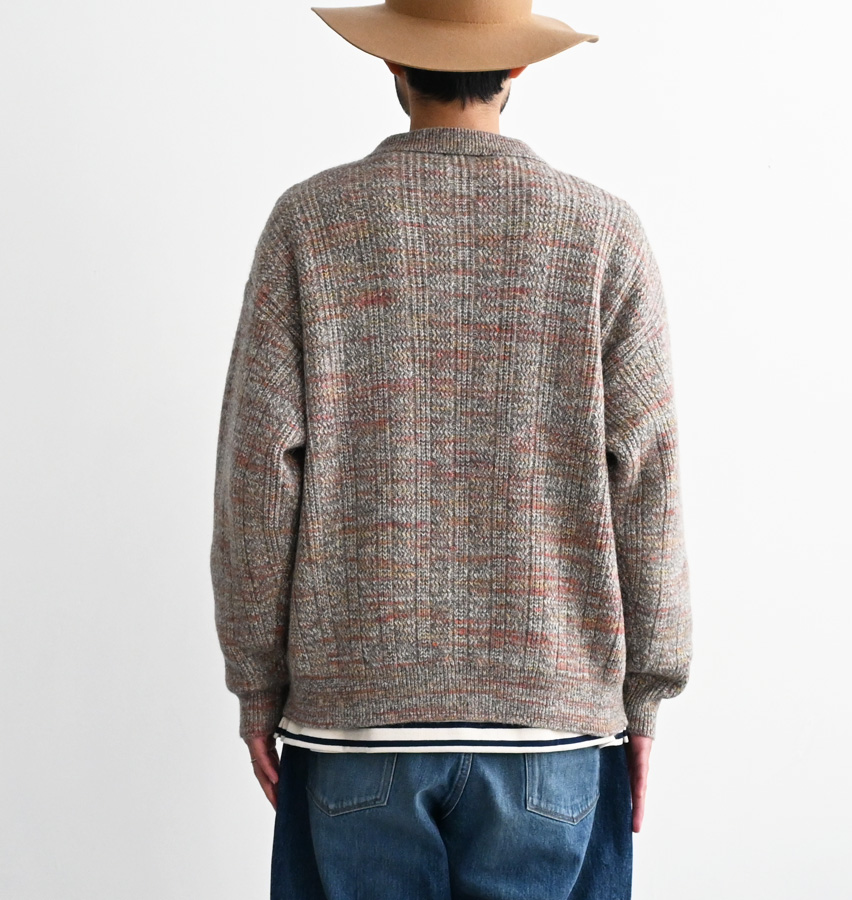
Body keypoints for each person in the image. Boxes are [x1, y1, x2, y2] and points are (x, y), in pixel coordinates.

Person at [209, 2, 693, 898]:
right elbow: (648, 487)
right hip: (551, 727)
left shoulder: (310, 225)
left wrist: (257, 685)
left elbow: (258, 479)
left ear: (392, 63)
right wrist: (647, 699)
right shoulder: (603, 235)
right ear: (519, 68)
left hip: (357, 723)